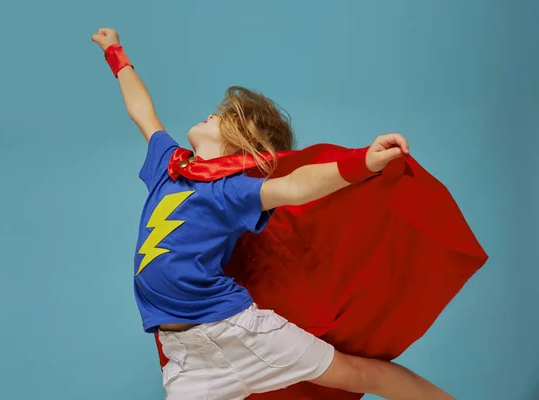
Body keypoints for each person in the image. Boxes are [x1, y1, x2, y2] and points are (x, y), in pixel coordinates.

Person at [91, 28, 458, 400]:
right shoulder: (166, 167)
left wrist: (362, 161)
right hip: (187, 357)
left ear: (242, 146)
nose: (209, 115)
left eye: (222, 118)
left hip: (238, 331)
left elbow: (296, 186)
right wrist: (115, 54)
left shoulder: (229, 191)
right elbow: (143, 113)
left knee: (357, 374)